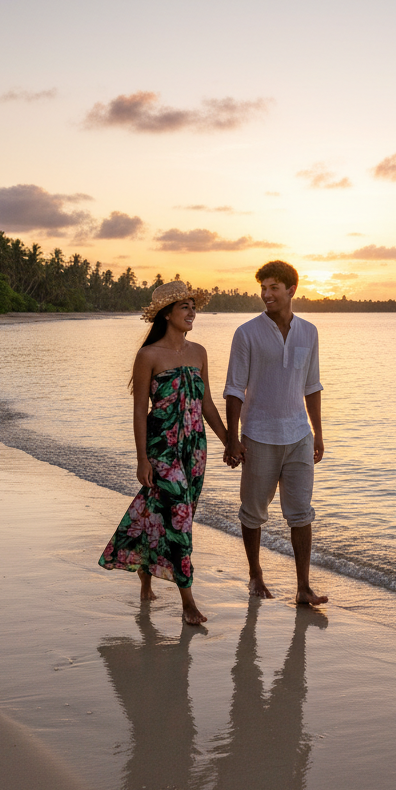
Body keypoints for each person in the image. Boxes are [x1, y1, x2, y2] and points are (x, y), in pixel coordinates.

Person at [99, 280, 229, 625]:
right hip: (162, 449)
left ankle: (145, 572)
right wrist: (142, 458)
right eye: (184, 307)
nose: (192, 312)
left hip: (194, 448)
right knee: (180, 520)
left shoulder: (199, 352)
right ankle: (188, 601)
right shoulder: (148, 356)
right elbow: (140, 409)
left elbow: (206, 403)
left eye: (193, 306)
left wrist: (230, 439)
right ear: (167, 314)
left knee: (164, 511)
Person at [223, 260, 328, 606]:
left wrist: (318, 433)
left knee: (302, 512)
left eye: (273, 288)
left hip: (298, 435)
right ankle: (255, 574)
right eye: (263, 288)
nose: (266, 295)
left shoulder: (309, 332)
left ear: (291, 289)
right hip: (258, 435)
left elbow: (312, 386)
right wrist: (233, 438)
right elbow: (234, 389)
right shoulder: (247, 333)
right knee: (253, 512)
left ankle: (303, 587)